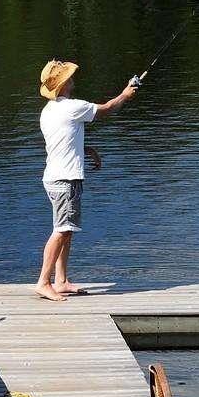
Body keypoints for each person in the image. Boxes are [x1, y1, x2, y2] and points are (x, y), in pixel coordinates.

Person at [35, 59, 139, 301]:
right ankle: (43, 282)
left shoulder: (49, 110)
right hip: (65, 180)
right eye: (69, 78)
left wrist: (87, 149)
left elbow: (63, 141)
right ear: (61, 85)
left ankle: (60, 280)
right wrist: (125, 94)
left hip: (54, 177)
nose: (73, 80)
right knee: (61, 230)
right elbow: (107, 109)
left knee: (67, 230)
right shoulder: (72, 107)